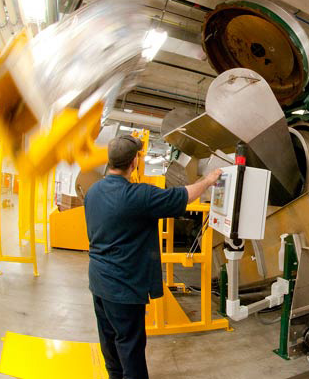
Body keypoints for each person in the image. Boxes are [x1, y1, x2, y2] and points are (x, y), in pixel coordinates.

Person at [84, 135, 222, 379]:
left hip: (98, 281)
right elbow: (183, 196)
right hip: (123, 286)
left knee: (109, 342)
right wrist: (209, 180)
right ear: (134, 161)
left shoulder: (93, 191)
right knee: (130, 345)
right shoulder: (137, 196)